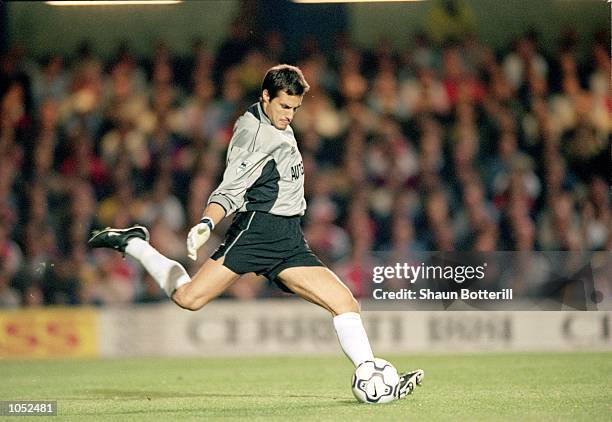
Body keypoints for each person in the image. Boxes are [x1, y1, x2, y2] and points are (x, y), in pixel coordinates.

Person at [88, 64, 423, 400]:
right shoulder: (255, 137)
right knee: (189, 298)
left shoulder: (269, 117)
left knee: (345, 302)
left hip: (288, 237)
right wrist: (206, 223)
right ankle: (135, 243)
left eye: (295, 108)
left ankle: (376, 377)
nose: (290, 115)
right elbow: (230, 189)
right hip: (256, 232)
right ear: (266, 96)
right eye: (284, 107)